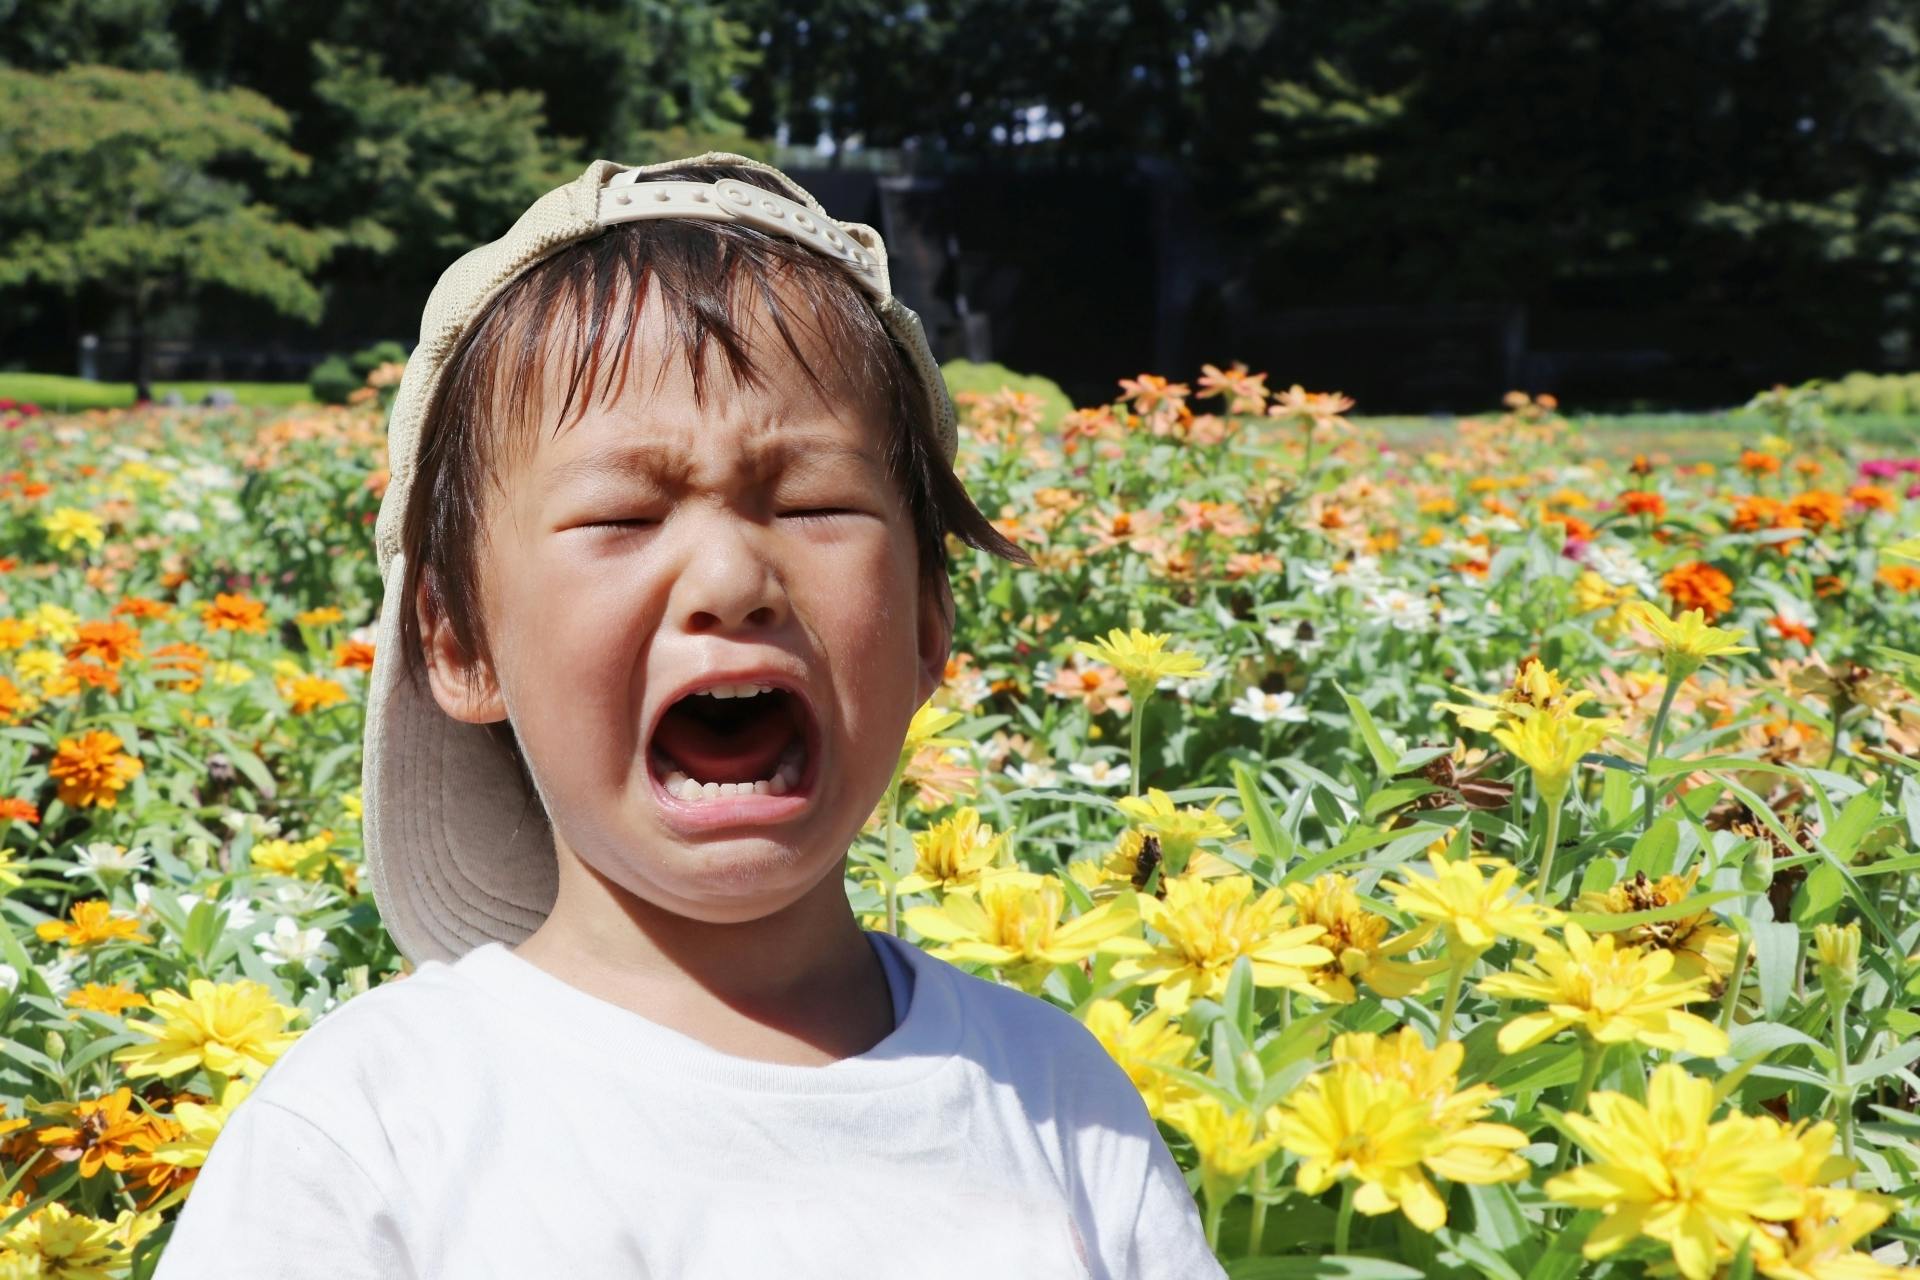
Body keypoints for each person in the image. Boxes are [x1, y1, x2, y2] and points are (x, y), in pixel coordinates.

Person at [153, 152, 1226, 1279]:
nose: (730, 577)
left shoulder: (1057, 1098)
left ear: (924, 622)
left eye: (812, 502)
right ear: (460, 643)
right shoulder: (370, 1130)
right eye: (621, 514)